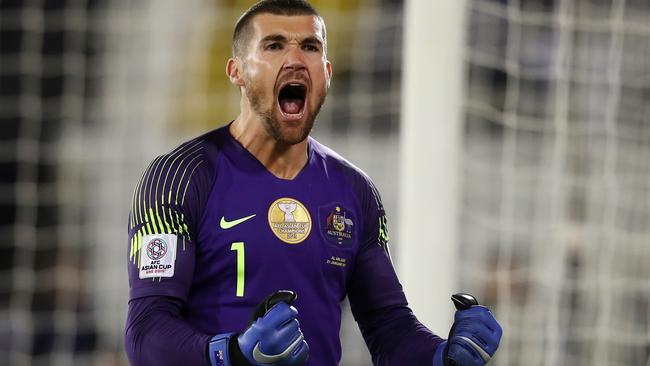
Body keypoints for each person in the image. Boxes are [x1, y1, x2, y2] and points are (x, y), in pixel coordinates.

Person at [124, 1, 502, 365]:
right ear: (236, 71)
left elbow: (389, 328)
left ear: (327, 73)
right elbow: (146, 333)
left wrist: (444, 356)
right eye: (273, 45)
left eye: (310, 47)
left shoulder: (354, 192)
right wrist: (233, 354)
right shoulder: (180, 177)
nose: (295, 59)